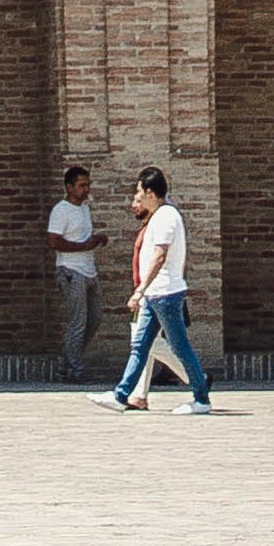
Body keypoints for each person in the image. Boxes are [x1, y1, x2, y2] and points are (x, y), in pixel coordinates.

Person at [111, 169, 215, 414]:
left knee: (179, 347)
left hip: (165, 294)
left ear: (149, 192)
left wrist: (140, 290)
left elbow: (160, 256)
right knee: (140, 346)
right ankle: (120, 395)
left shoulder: (166, 216)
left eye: (139, 191)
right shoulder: (158, 216)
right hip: (154, 294)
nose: (137, 196)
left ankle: (201, 397)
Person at [46, 163, 105, 380]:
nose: (86, 189)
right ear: (69, 187)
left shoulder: (84, 209)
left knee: (94, 319)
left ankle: (66, 363)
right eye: (82, 185)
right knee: (78, 322)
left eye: (88, 185)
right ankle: (75, 369)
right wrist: (82, 247)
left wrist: (96, 240)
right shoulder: (61, 210)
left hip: (89, 271)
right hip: (71, 271)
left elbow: (82, 237)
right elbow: (54, 241)